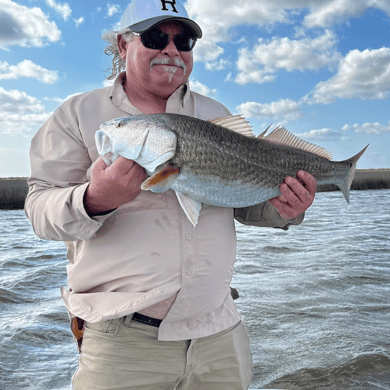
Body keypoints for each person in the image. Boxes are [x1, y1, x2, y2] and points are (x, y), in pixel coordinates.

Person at [25, 0, 317, 389]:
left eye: (184, 41)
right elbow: (39, 210)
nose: (171, 50)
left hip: (219, 331)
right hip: (123, 340)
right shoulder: (77, 114)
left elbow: (243, 202)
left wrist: (287, 210)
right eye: (155, 36)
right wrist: (95, 198)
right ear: (123, 45)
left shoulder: (215, 113)